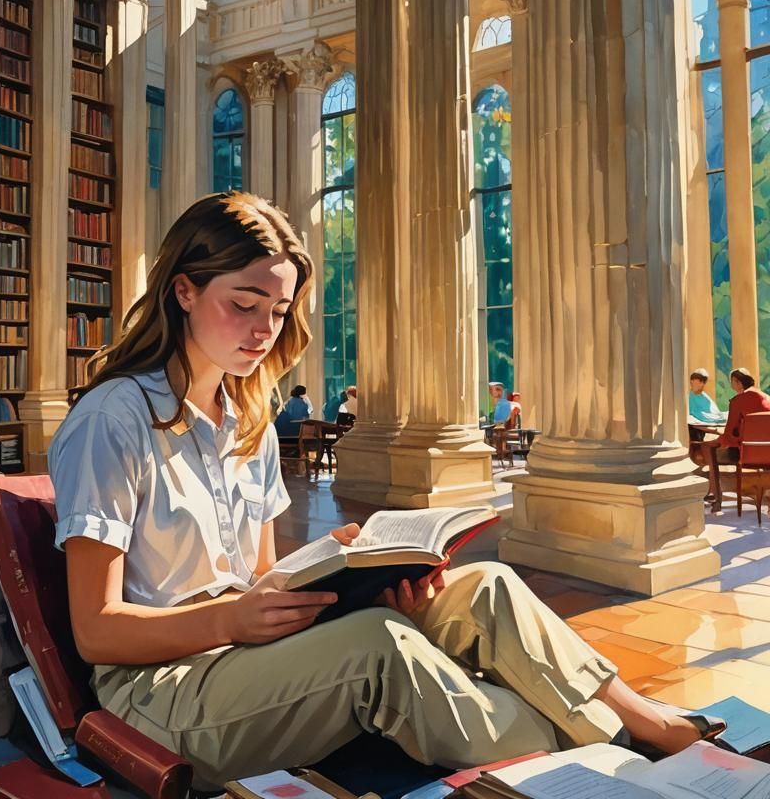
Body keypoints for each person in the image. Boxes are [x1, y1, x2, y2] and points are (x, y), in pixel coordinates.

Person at [48, 191, 716, 791]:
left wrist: (347, 569)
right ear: (185, 291)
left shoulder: (247, 418)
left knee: (486, 589)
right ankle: (606, 762)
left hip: (242, 657)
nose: (263, 331)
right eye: (244, 305)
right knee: (380, 646)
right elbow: (97, 633)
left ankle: (646, 725)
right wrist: (229, 621)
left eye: (279, 313)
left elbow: (256, 583)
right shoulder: (115, 420)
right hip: (162, 693)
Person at [697, 367, 770, 510]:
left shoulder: (738, 400)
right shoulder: (767, 398)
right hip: (767, 453)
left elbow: (729, 434)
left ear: (737, 382)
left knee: (707, 448)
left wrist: (717, 439)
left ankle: (715, 496)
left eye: (732, 382)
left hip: (745, 454)